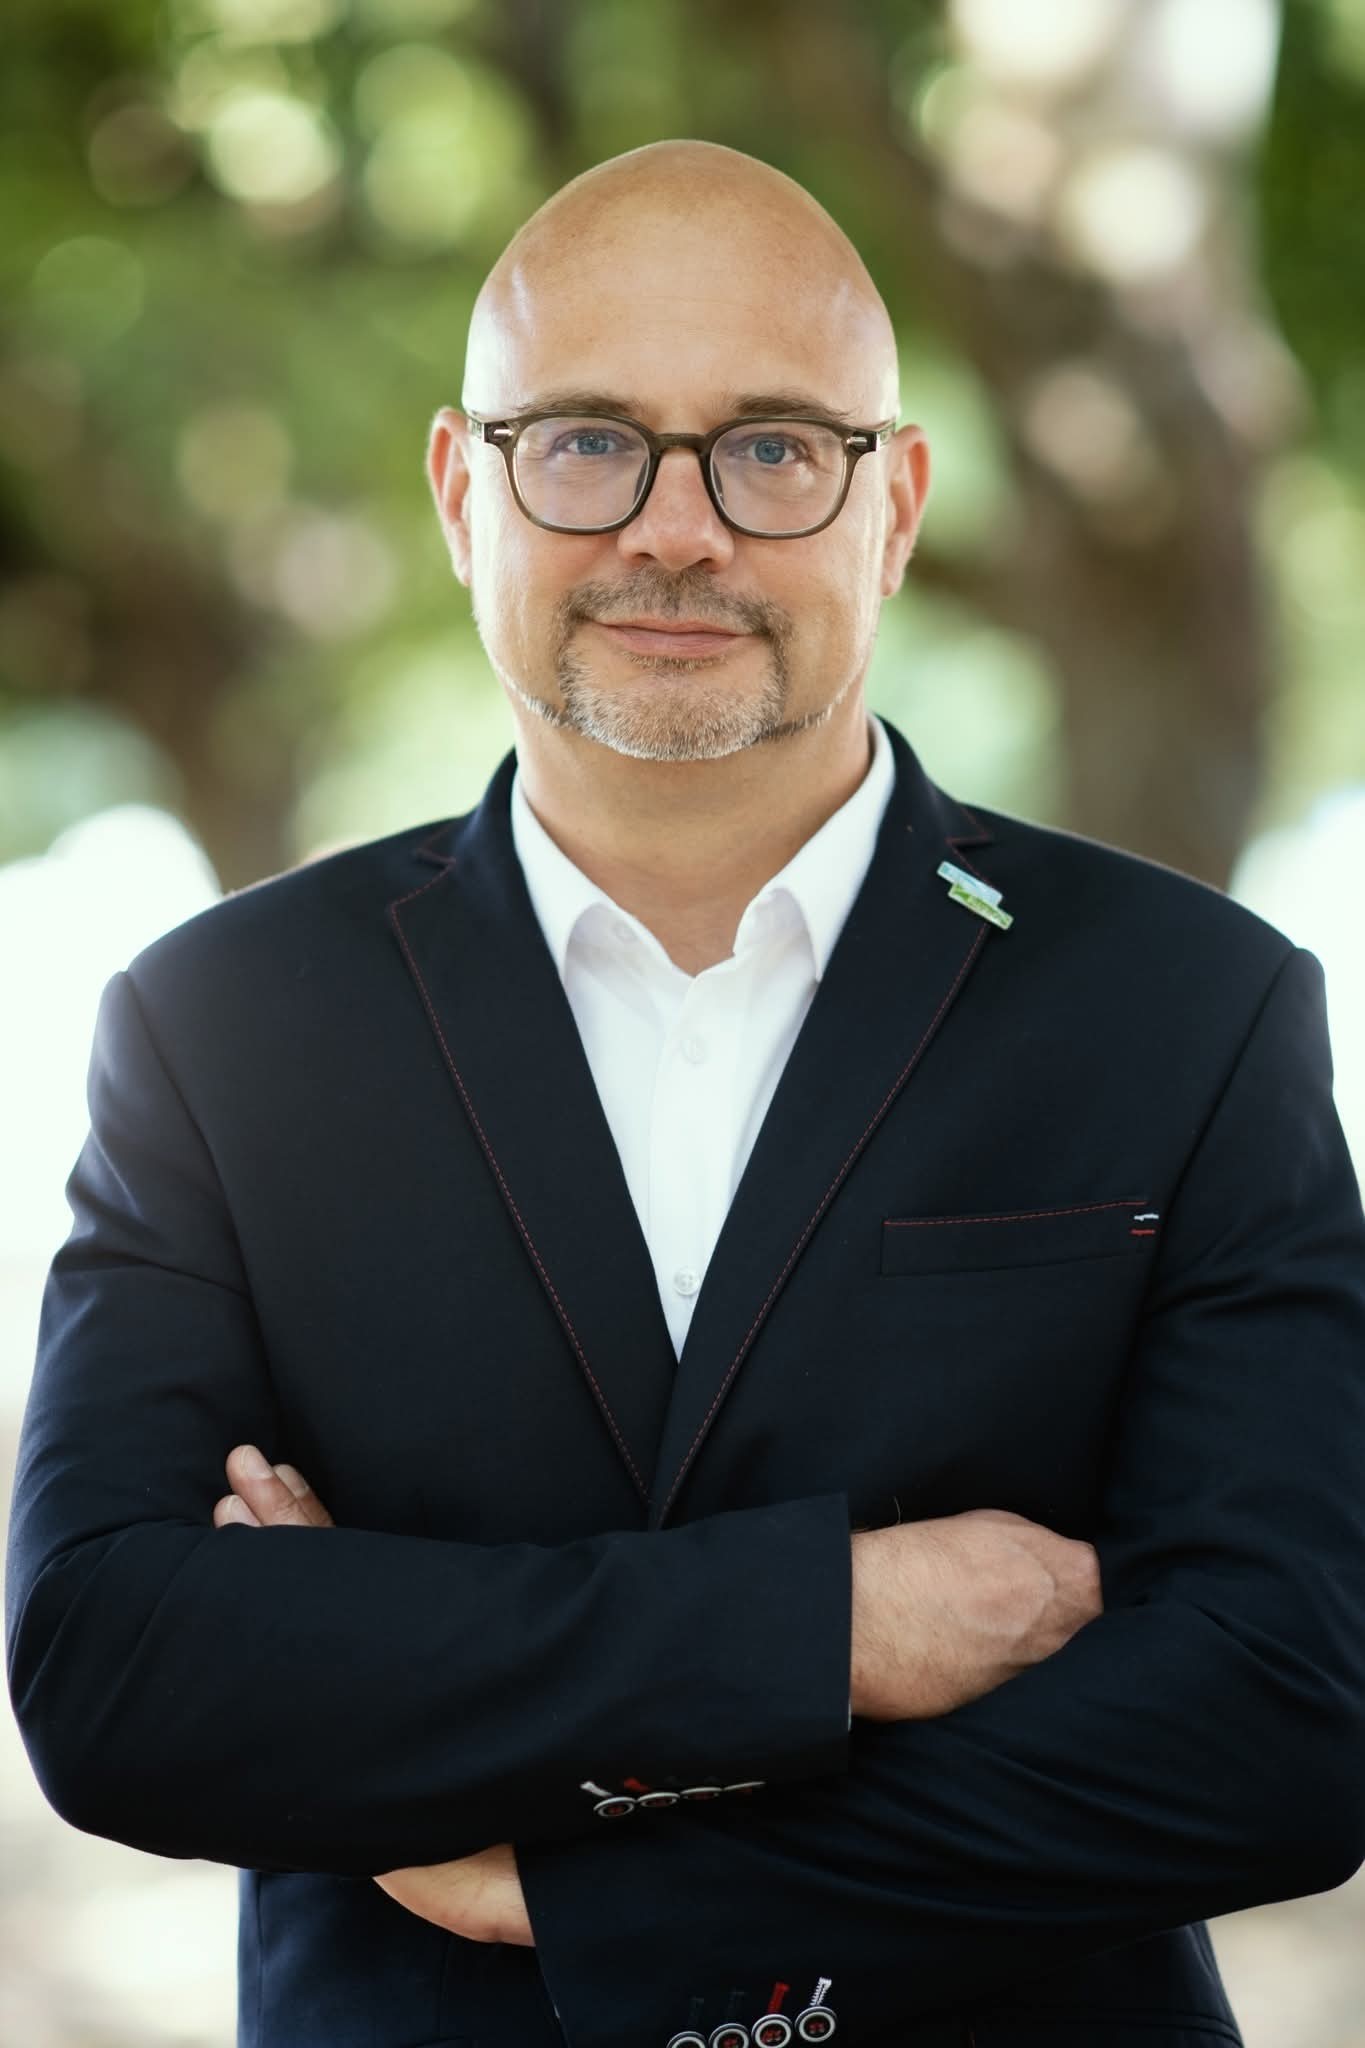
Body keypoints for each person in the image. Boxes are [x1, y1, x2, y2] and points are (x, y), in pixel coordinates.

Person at [6, 138, 1365, 2048]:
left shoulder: (1189, 1004)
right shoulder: (217, 1024)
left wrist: (560, 1877)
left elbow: (1287, 1714)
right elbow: (116, 1674)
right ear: (459, 493)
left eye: (772, 449)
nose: (674, 529)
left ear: (892, 505)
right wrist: (835, 1627)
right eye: (583, 442)